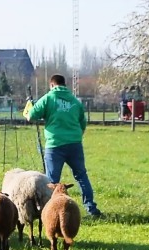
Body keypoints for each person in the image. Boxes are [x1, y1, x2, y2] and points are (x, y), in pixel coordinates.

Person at [26, 74, 102, 217]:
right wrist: (75, 135)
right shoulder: (75, 101)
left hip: (54, 145)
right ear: (65, 85)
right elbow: (83, 123)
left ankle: (50, 211)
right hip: (75, 144)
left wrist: (30, 107)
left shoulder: (48, 98)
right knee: (81, 176)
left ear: (52, 85)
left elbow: (31, 116)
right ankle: (91, 209)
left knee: (51, 181)